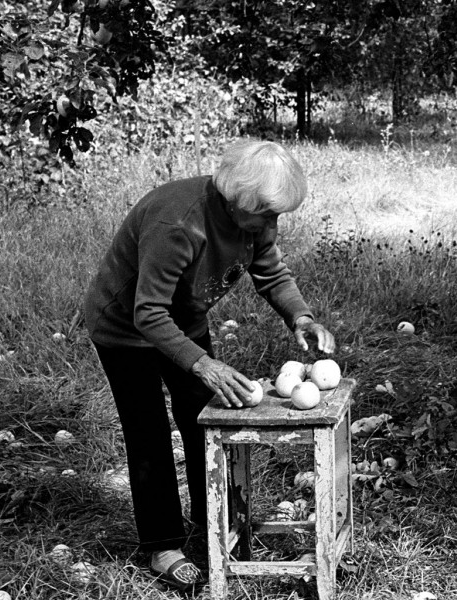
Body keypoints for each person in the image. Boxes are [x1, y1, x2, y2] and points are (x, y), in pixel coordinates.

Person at [82, 140, 335, 591]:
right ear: (238, 202)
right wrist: (204, 365)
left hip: (183, 318)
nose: (272, 226)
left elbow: (271, 272)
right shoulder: (178, 223)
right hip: (126, 326)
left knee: (205, 418)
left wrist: (301, 316)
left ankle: (213, 521)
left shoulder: (255, 222)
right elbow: (148, 313)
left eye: (277, 216)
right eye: (266, 215)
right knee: (149, 432)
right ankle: (163, 546)